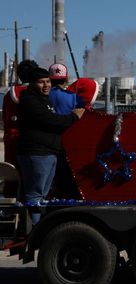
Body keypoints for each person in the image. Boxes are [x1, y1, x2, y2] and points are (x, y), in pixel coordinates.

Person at [16, 67, 85, 223]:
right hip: (36, 153)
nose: (46, 85)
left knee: (42, 195)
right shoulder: (30, 101)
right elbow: (51, 121)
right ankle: (31, 233)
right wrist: (73, 117)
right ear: (32, 84)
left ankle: (34, 229)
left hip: (48, 152)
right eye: (41, 82)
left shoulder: (44, 100)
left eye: (48, 81)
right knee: (35, 195)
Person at [2, 60, 39, 169]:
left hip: (12, 136)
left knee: (13, 170)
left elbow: (6, 118)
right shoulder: (38, 93)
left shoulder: (9, 94)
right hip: (34, 139)